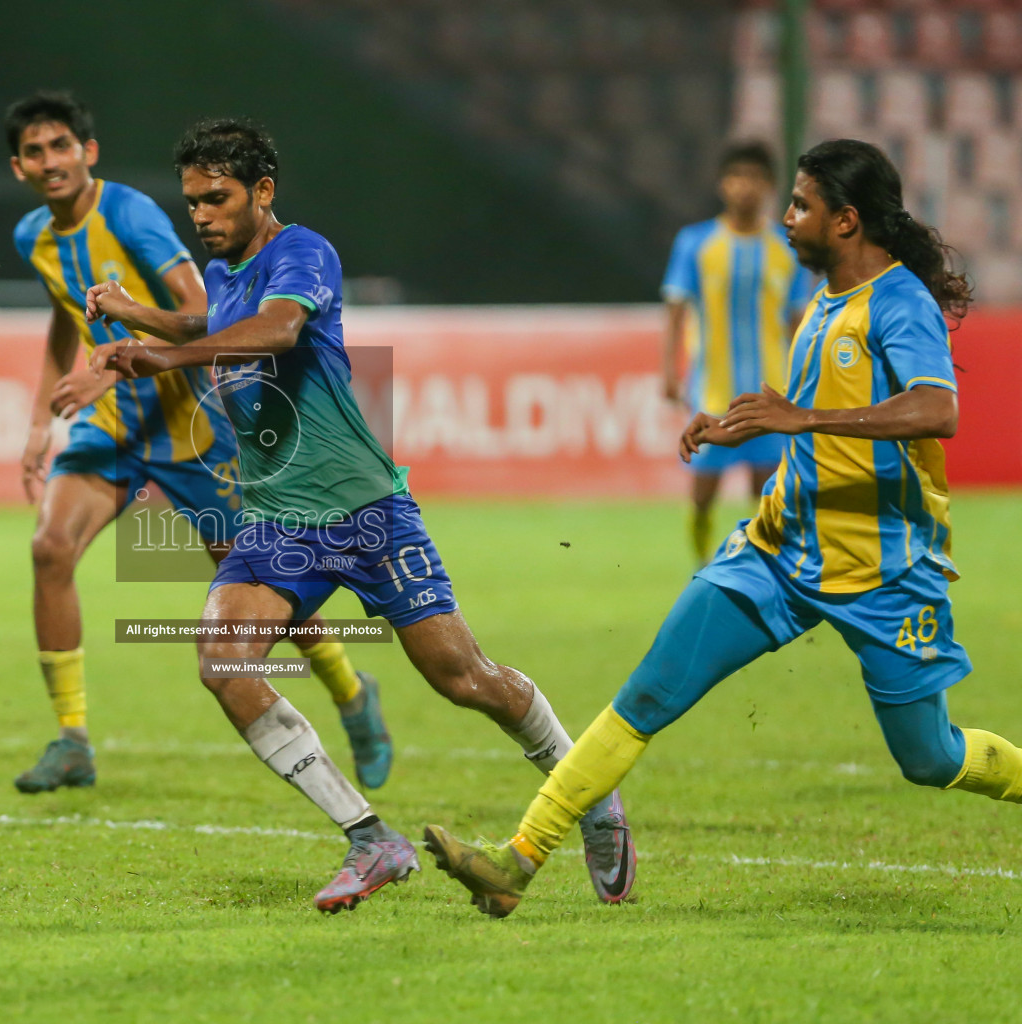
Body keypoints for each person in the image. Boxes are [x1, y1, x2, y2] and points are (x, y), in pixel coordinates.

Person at [425, 139, 1022, 918]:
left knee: (930, 757)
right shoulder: (825, 303)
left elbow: (935, 409)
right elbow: (808, 419)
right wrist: (745, 423)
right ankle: (518, 861)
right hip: (775, 554)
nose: (786, 217)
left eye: (802, 205)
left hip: (881, 574)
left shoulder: (898, 301)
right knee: (646, 697)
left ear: (846, 221)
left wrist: (802, 417)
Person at [86, 118, 635, 913]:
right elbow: (213, 323)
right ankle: (371, 840)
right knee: (224, 664)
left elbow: (276, 331)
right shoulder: (225, 269)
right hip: (276, 522)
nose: (200, 215)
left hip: (365, 513)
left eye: (217, 199)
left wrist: (164, 357)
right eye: (193, 201)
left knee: (464, 679)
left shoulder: (303, 252)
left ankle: (589, 794)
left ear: (263, 192)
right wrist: (140, 318)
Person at [6, 92, 391, 794]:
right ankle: (73, 739)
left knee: (264, 589)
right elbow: (65, 315)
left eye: (61, 145)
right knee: (49, 548)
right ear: (18, 167)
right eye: (35, 151)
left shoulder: (128, 215)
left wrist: (118, 353)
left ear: (87, 153)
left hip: (192, 423)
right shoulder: (32, 234)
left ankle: (350, 690)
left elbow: (199, 313)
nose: (50, 161)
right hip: (114, 423)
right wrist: (42, 416)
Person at [662, 141, 817, 566]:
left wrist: (806, 380)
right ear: (721, 184)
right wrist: (669, 373)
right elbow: (676, 310)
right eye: (736, 177)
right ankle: (700, 563)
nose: (744, 187)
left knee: (765, 493)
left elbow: (795, 320)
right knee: (702, 496)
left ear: (769, 186)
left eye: (753, 178)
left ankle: (762, 567)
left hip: (770, 390)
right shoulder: (697, 243)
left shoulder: (787, 247)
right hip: (712, 391)